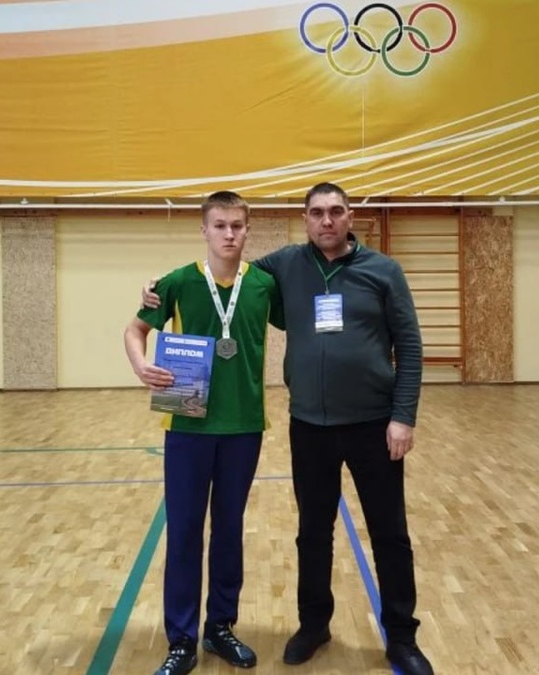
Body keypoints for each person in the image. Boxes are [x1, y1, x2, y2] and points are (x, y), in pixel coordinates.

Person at [142, 182, 433, 675]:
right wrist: (159, 287)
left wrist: (403, 416)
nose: (326, 221)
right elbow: (225, 272)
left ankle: (402, 637)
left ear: (350, 216)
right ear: (305, 219)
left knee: (390, 533)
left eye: (336, 211)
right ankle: (314, 625)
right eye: (317, 213)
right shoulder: (286, 265)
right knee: (312, 533)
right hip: (310, 425)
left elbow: (410, 344)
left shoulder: (384, 271)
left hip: (373, 424)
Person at [124, 190, 284, 675]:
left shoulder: (264, 285)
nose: (229, 234)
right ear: (204, 230)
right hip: (188, 426)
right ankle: (181, 639)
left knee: (229, 530)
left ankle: (220, 627)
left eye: (237, 225)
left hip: (244, 427)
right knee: (185, 531)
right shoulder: (176, 282)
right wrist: (141, 366)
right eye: (220, 225)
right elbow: (135, 330)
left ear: (248, 229)